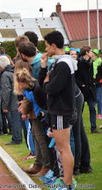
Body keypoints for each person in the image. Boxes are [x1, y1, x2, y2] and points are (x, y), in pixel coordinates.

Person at [38, 31, 77, 189]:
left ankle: (67, 183)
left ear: (53, 45)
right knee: (61, 147)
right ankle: (65, 180)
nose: (46, 49)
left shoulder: (63, 64)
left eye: (47, 46)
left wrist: (47, 83)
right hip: (56, 108)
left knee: (63, 147)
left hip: (61, 109)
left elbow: (52, 88)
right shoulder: (57, 62)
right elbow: (44, 85)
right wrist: (42, 68)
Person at [75, 46, 100, 133]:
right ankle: (79, 128)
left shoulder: (91, 63)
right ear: (86, 53)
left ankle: (93, 127)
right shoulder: (78, 63)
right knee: (79, 110)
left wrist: (93, 83)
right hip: (82, 90)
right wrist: (81, 84)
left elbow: (92, 75)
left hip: (90, 89)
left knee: (92, 108)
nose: (92, 53)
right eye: (90, 51)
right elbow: (75, 77)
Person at [0, 56, 21, 145]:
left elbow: (6, 91)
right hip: (17, 98)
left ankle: (16, 138)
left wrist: (4, 105)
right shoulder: (13, 71)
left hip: (13, 100)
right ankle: (18, 137)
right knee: (17, 120)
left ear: (0, 66)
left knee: (14, 120)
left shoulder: (5, 75)